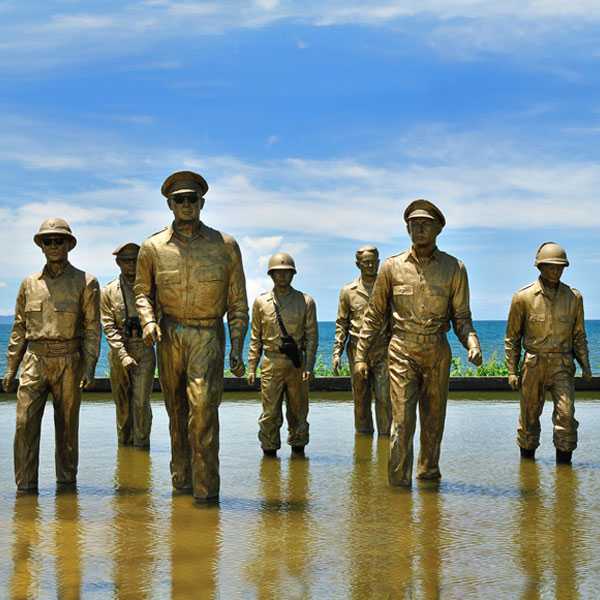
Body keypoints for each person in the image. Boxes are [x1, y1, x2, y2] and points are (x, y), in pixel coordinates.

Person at [135, 170, 248, 503]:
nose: (186, 204)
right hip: (169, 334)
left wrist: (237, 347)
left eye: (192, 199)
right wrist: (147, 321)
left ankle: (206, 494)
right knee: (176, 414)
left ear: (202, 202)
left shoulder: (225, 245)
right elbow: (142, 291)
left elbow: (238, 302)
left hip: (207, 335)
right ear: (170, 204)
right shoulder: (152, 247)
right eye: (179, 200)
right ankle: (181, 484)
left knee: (202, 414)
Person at [355, 200, 482, 487]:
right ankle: (398, 486)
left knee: (433, 421)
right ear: (407, 228)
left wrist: (472, 343)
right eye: (414, 224)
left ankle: (428, 478)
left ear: (438, 229)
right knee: (401, 422)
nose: (419, 228)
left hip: (437, 350)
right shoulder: (391, 267)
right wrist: (361, 355)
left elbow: (461, 317)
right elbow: (374, 316)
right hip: (401, 350)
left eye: (425, 224)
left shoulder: (454, 268)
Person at [3, 218, 100, 492]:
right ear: (41, 246)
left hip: (69, 361)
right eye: (49, 241)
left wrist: (89, 366)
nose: (54, 245)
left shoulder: (86, 282)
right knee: (23, 425)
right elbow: (19, 328)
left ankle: (67, 492)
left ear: (69, 244)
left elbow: (93, 329)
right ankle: (25, 491)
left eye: (60, 240)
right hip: (34, 361)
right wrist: (11, 368)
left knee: (67, 430)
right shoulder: (28, 284)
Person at [505, 242, 592, 464]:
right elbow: (512, 338)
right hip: (534, 364)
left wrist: (586, 365)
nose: (556, 271)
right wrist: (512, 371)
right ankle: (527, 472)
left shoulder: (574, 298)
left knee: (566, 416)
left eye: (560, 267)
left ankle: (564, 472)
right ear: (540, 267)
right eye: (551, 266)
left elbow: (579, 335)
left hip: (562, 364)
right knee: (529, 419)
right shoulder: (522, 298)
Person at [247, 253, 318, 456]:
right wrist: (252, 366)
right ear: (270, 275)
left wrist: (309, 366)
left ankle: (299, 451)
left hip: (296, 364)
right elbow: (255, 338)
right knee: (270, 413)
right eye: (277, 273)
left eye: (286, 273)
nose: (282, 277)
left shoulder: (305, 301)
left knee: (298, 412)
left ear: (293, 274)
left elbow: (312, 337)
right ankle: (269, 454)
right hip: (271, 362)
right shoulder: (261, 302)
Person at [101, 243, 155, 448]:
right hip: (119, 351)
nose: (131, 264)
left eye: (135, 260)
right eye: (126, 260)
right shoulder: (107, 291)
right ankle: (124, 449)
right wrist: (123, 354)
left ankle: (142, 448)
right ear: (118, 262)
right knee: (122, 405)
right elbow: (108, 326)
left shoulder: (152, 288)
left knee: (141, 403)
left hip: (144, 348)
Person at [333, 245, 391, 435]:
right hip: (357, 352)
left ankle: (386, 441)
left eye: (373, 262)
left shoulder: (388, 288)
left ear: (379, 263)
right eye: (366, 263)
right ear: (358, 264)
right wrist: (337, 353)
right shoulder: (347, 292)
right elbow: (342, 324)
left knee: (385, 398)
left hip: (384, 350)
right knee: (361, 400)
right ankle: (363, 443)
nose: (370, 266)